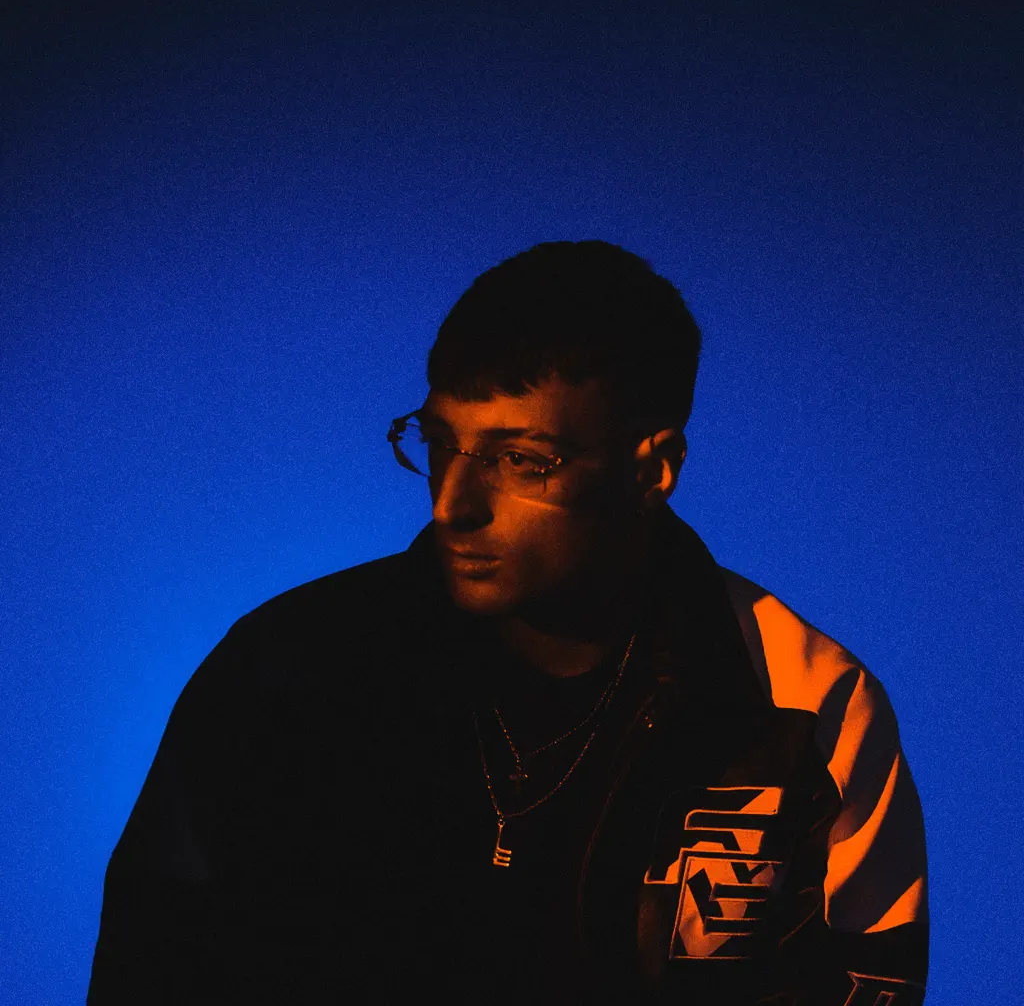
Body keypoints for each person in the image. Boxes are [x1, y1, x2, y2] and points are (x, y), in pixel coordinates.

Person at [87, 241, 928, 1004]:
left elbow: (868, 981)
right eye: (440, 443)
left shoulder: (801, 706)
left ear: (654, 469)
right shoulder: (284, 673)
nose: (452, 504)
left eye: (522, 461)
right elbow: (151, 965)